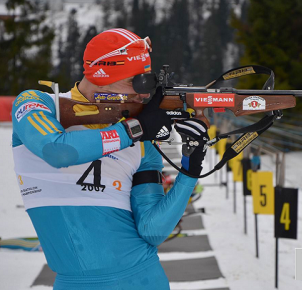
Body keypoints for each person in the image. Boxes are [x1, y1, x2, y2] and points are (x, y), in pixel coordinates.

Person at [11, 28, 209, 290]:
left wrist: (190, 168)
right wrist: (133, 129)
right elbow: (57, 151)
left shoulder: (141, 145)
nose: (143, 95)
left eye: (148, 84)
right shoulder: (39, 104)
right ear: (101, 76)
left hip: (143, 278)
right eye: (135, 83)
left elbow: (152, 230)